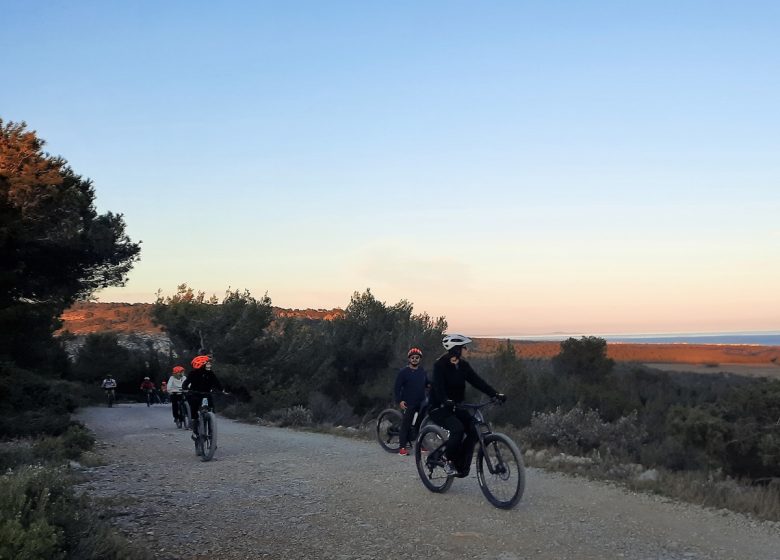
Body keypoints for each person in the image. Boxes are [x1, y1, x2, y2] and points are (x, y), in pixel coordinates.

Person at [429, 334, 504, 477]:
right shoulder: (440, 365)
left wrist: (495, 394)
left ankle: (460, 462)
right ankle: (446, 459)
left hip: (457, 406)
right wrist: (445, 400)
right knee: (457, 429)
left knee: (474, 430)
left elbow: (477, 381)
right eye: (464, 347)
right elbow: (438, 387)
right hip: (439, 407)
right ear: (456, 349)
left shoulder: (463, 366)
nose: (466, 350)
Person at [394, 347, 429, 456]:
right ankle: (402, 448)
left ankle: (420, 445)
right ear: (409, 359)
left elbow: (426, 383)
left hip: (421, 403)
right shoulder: (403, 372)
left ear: (420, 359)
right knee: (406, 424)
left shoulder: (422, 371)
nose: (415, 359)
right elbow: (397, 388)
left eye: (417, 358)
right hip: (409, 402)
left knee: (420, 425)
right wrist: (400, 401)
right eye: (412, 357)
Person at [182, 354, 223, 435]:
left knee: (211, 408)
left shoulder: (210, 373)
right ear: (202, 364)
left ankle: (211, 430)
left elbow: (217, 383)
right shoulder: (193, 373)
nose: (209, 365)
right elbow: (186, 383)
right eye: (207, 363)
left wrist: (221, 390)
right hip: (195, 394)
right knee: (194, 407)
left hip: (206, 393)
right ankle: (195, 424)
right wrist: (185, 388)